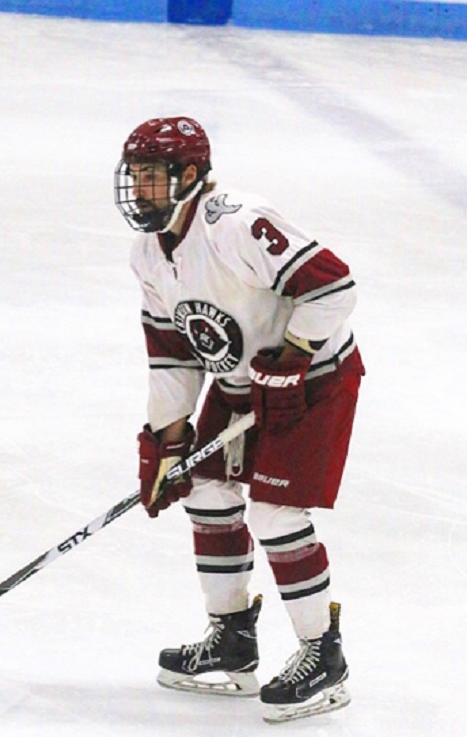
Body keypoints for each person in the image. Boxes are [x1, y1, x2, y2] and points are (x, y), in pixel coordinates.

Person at [114, 117, 365, 723]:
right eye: (135, 177)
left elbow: (335, 286)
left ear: (190, 176)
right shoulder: (149, 254)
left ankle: (322, 654)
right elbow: (172, 354)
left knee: (276, 513)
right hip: (240, 379)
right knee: (203, 487)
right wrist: (169, 440)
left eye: (151, 178)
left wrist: (296, 353)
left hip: (315, 382)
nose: (139, 191)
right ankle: (233, 637)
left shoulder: (236, 223)